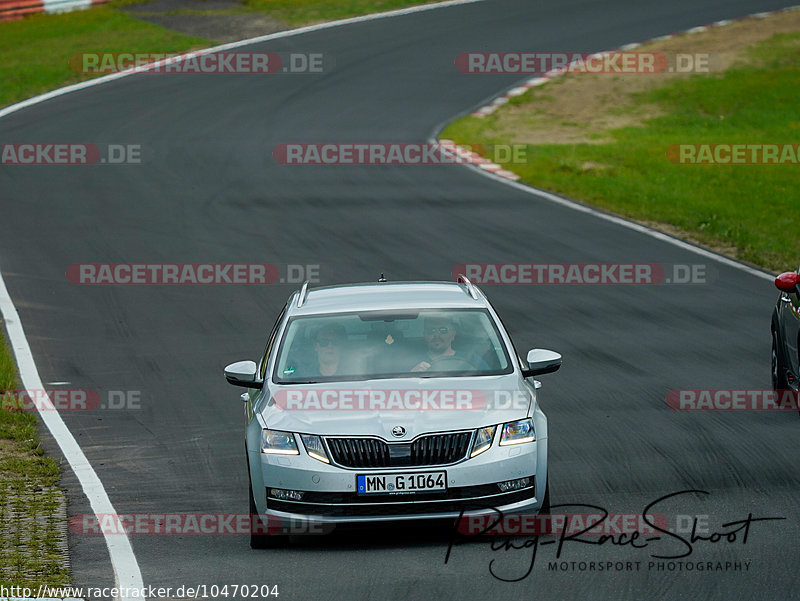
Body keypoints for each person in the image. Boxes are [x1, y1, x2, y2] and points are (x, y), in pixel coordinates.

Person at [410, 315, 488, 372]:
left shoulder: (472, 360)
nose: (436, 335)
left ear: (453, 335)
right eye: (431, 330)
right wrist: (412, 375)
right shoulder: (411, 362)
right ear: (425, 335)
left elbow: (491, 383)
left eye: (443, 330)